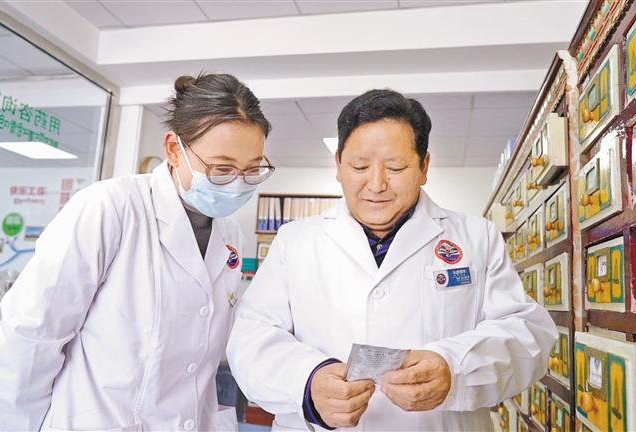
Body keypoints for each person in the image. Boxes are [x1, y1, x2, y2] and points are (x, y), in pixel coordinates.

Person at [226, 89, 558, 431]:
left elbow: (527, 334)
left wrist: (455, 368)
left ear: (424, 166)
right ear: (338, 165)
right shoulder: (294, 242)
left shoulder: (476, 238)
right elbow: (251, 338)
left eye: (396, 167)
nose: (376, 184)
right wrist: (308, 381)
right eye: (359, 166)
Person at [0, 73, 275, 431]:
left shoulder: (229, 235)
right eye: (222, 168)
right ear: (174, 149)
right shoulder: (110, 208)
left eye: (252, 170)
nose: (238, 183)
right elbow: (29, 340)